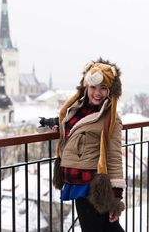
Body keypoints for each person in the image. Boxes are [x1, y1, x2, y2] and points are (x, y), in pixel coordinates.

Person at [52, 58, 125, 232]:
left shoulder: (111, 118)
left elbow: (114, 157)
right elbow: (74, 127)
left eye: (103, 88)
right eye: (93, 87)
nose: (97, 93)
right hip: (78, 180)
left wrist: (116, 198)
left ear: (111, 91)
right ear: (86, 86)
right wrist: (55, 123)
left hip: (91, 185)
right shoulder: (78, 108)